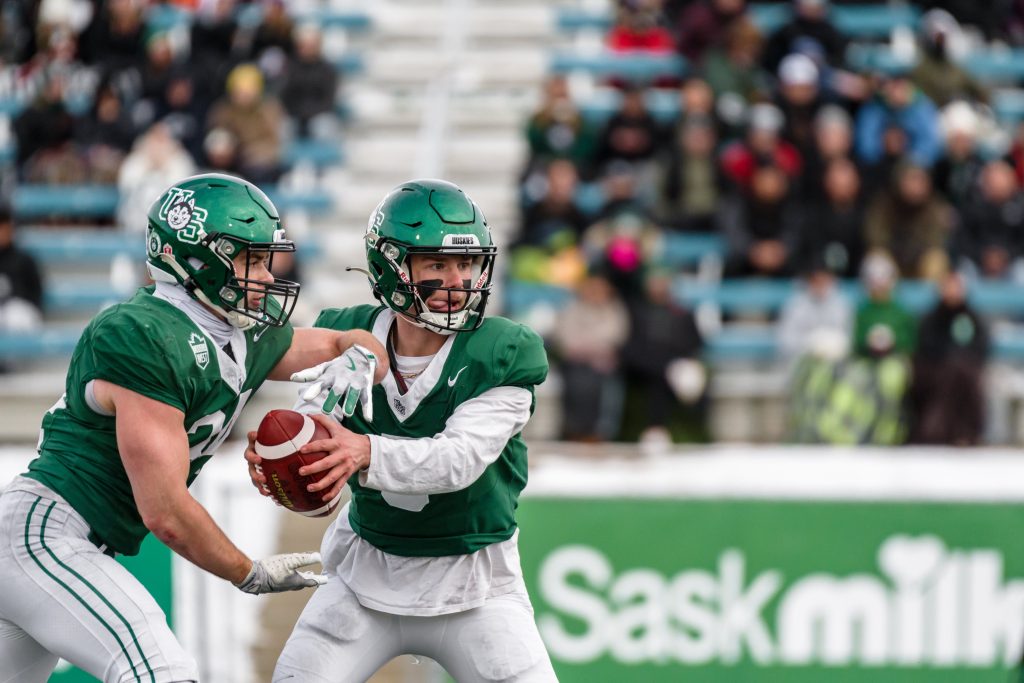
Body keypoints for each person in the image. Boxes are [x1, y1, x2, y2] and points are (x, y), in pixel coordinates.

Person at [0, 173, 387, 682]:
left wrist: (362, 359)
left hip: (61, 543)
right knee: (159, 669)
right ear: (198, 260)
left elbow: (348, 342)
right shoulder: (142, 333)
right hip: (45, 534)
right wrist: (247, 571)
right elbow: (164, 511)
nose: (267, 277)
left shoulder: (241, 332)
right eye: (250, 259)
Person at [244, 179, 558, 682]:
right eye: (437, 264)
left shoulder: (503, 350)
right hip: (364, 573)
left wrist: (363, 451)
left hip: (474, 584)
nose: (458, 279)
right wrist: (289, 469)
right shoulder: (342, 334)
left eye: (467, 263)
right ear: (391, 268)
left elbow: (457, 460)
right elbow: (320, 451)